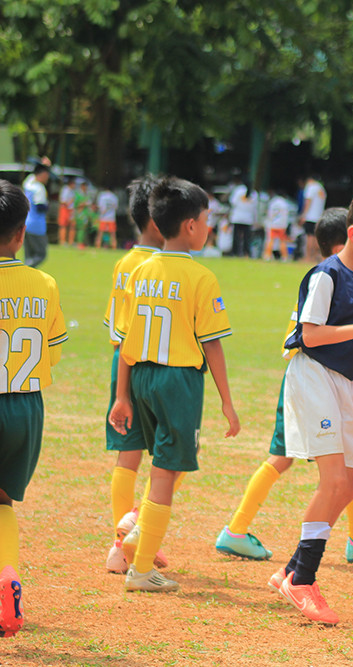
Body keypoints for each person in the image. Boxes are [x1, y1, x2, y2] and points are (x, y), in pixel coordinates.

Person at [270, 182, 353, 625]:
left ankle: (291, 570)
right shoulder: (326, 275)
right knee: (335, 481)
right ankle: (303, 579)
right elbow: (310, 335)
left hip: (347, 382)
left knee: (349, 485)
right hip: (314, 376)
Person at [108, 177, 240, 592]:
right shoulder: (201, 277)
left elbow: (125, 344)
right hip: (178, 379)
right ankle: (141, 565)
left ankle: (135, 530)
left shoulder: (139, 270)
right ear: (189, 226)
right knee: (166, 471)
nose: (209, 228)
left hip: (141, 376)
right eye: (207, 220)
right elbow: (212, 345)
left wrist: (121, 395)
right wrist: (227, 402)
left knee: (161, 463)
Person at [215, 210, 348, 561]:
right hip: (306, 382)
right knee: (329, 461)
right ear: (341, 244)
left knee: (327, 462)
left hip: (308, 380)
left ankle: (237, 529)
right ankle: (236, 529)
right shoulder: (332, 280)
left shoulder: (326, 278)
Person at [0, 179, 68, 638]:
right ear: (22, 233)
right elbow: (54, 350)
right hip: (26, 408)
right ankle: (7, 582)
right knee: (3, 501)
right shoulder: (43, 282)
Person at [103, 176, 167, 574]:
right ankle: (137, 530)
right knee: (169, 458)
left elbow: (115, 331)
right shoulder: (163, 264)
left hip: (122, 364)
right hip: (158, 367)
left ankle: (119, 545)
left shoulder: (125, 262)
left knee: (128, 455)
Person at [21, 164, 50, 267]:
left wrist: (42, 164)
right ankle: (25, 269)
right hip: (36, 226)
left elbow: (32, 176)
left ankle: (26, 278)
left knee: (28, 256)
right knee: (41, 254)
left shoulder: (28, 184)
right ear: (42, 174)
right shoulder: (39, 189)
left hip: (25, 223)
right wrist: (47, 206)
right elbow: (40, 207)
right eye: (47, 174)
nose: (48, 177)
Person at [299, 174, 327, 263]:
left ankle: (307, 257)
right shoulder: (321, 188)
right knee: (316, 238)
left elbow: (308, 202)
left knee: (309, 237)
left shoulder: (311, 187)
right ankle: (314, 257)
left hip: (311, 216)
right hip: (319, 216)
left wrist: (303, 215)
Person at [229, 179, 257, 258]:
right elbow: (254, 208)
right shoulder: (254, 193)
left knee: (236, 237)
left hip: (237, 217)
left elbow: (233, 202)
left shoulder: (238, 190)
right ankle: (246, 253)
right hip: (248, 218)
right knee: (246, 238)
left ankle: (235, 252)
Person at [263, 190, 291, 261]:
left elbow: (269, 213)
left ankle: (267, 255)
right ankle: (284, 257)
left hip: (273, 224)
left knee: (270, 240)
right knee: (282, 241)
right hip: (281, 225)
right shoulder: (284, 203)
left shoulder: (273, 202)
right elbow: (286, 215)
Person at [57, 178, 76, 245]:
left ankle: (71, 241)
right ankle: (62, 241)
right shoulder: (66, 190)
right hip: (65, 209)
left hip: (70, 209)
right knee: (63, 225)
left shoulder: (72, 191)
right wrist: (70, 202)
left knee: (72, 225)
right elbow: (63, 201)